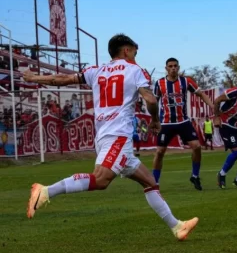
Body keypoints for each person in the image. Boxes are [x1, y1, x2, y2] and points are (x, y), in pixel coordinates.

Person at [23, 33, 198, 241]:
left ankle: (177, 226)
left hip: (104, 135)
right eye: (134, 51)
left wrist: (34, 78)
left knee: (150, 182)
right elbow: (151, 100)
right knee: (101, 180)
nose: (135, 55)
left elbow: (61, 79)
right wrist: (154, 119)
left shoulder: (95, 70)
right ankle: (45, 192)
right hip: (118, 137)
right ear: (126, 50)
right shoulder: (135, 71)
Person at [152, 58, 214, 191]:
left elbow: (201, 94)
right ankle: (154, 183)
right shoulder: (160, 83)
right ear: (166, 68)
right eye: (170, 66)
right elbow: (154, 102)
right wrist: (154, 119)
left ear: (178, 67)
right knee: (159, 152)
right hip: (166, 123)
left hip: (183, 121)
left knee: (197, 147)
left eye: (175, 66)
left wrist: (213, 106)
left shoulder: (186, 81)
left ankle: (195, 176)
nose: (173, 68)